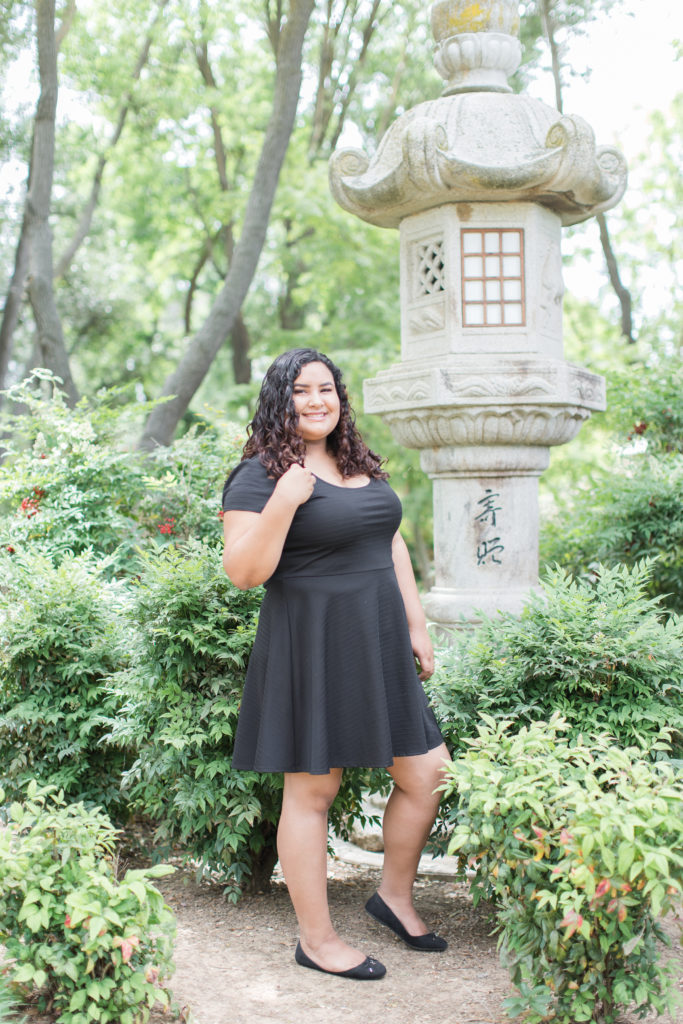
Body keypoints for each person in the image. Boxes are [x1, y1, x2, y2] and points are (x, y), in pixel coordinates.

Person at [221, 348, 449, 981]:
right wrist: (285, 499)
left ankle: (392, 897)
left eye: (326, 388)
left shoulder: (355, 461)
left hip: (378, 639)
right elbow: (242, 572)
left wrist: (416, 623)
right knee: (313, 791)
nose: (316, 400)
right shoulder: (259, 476)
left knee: (428, 773)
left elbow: (388, 539)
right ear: (280, 400)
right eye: (301, 390)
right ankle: (316, 942)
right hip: (312, 642)